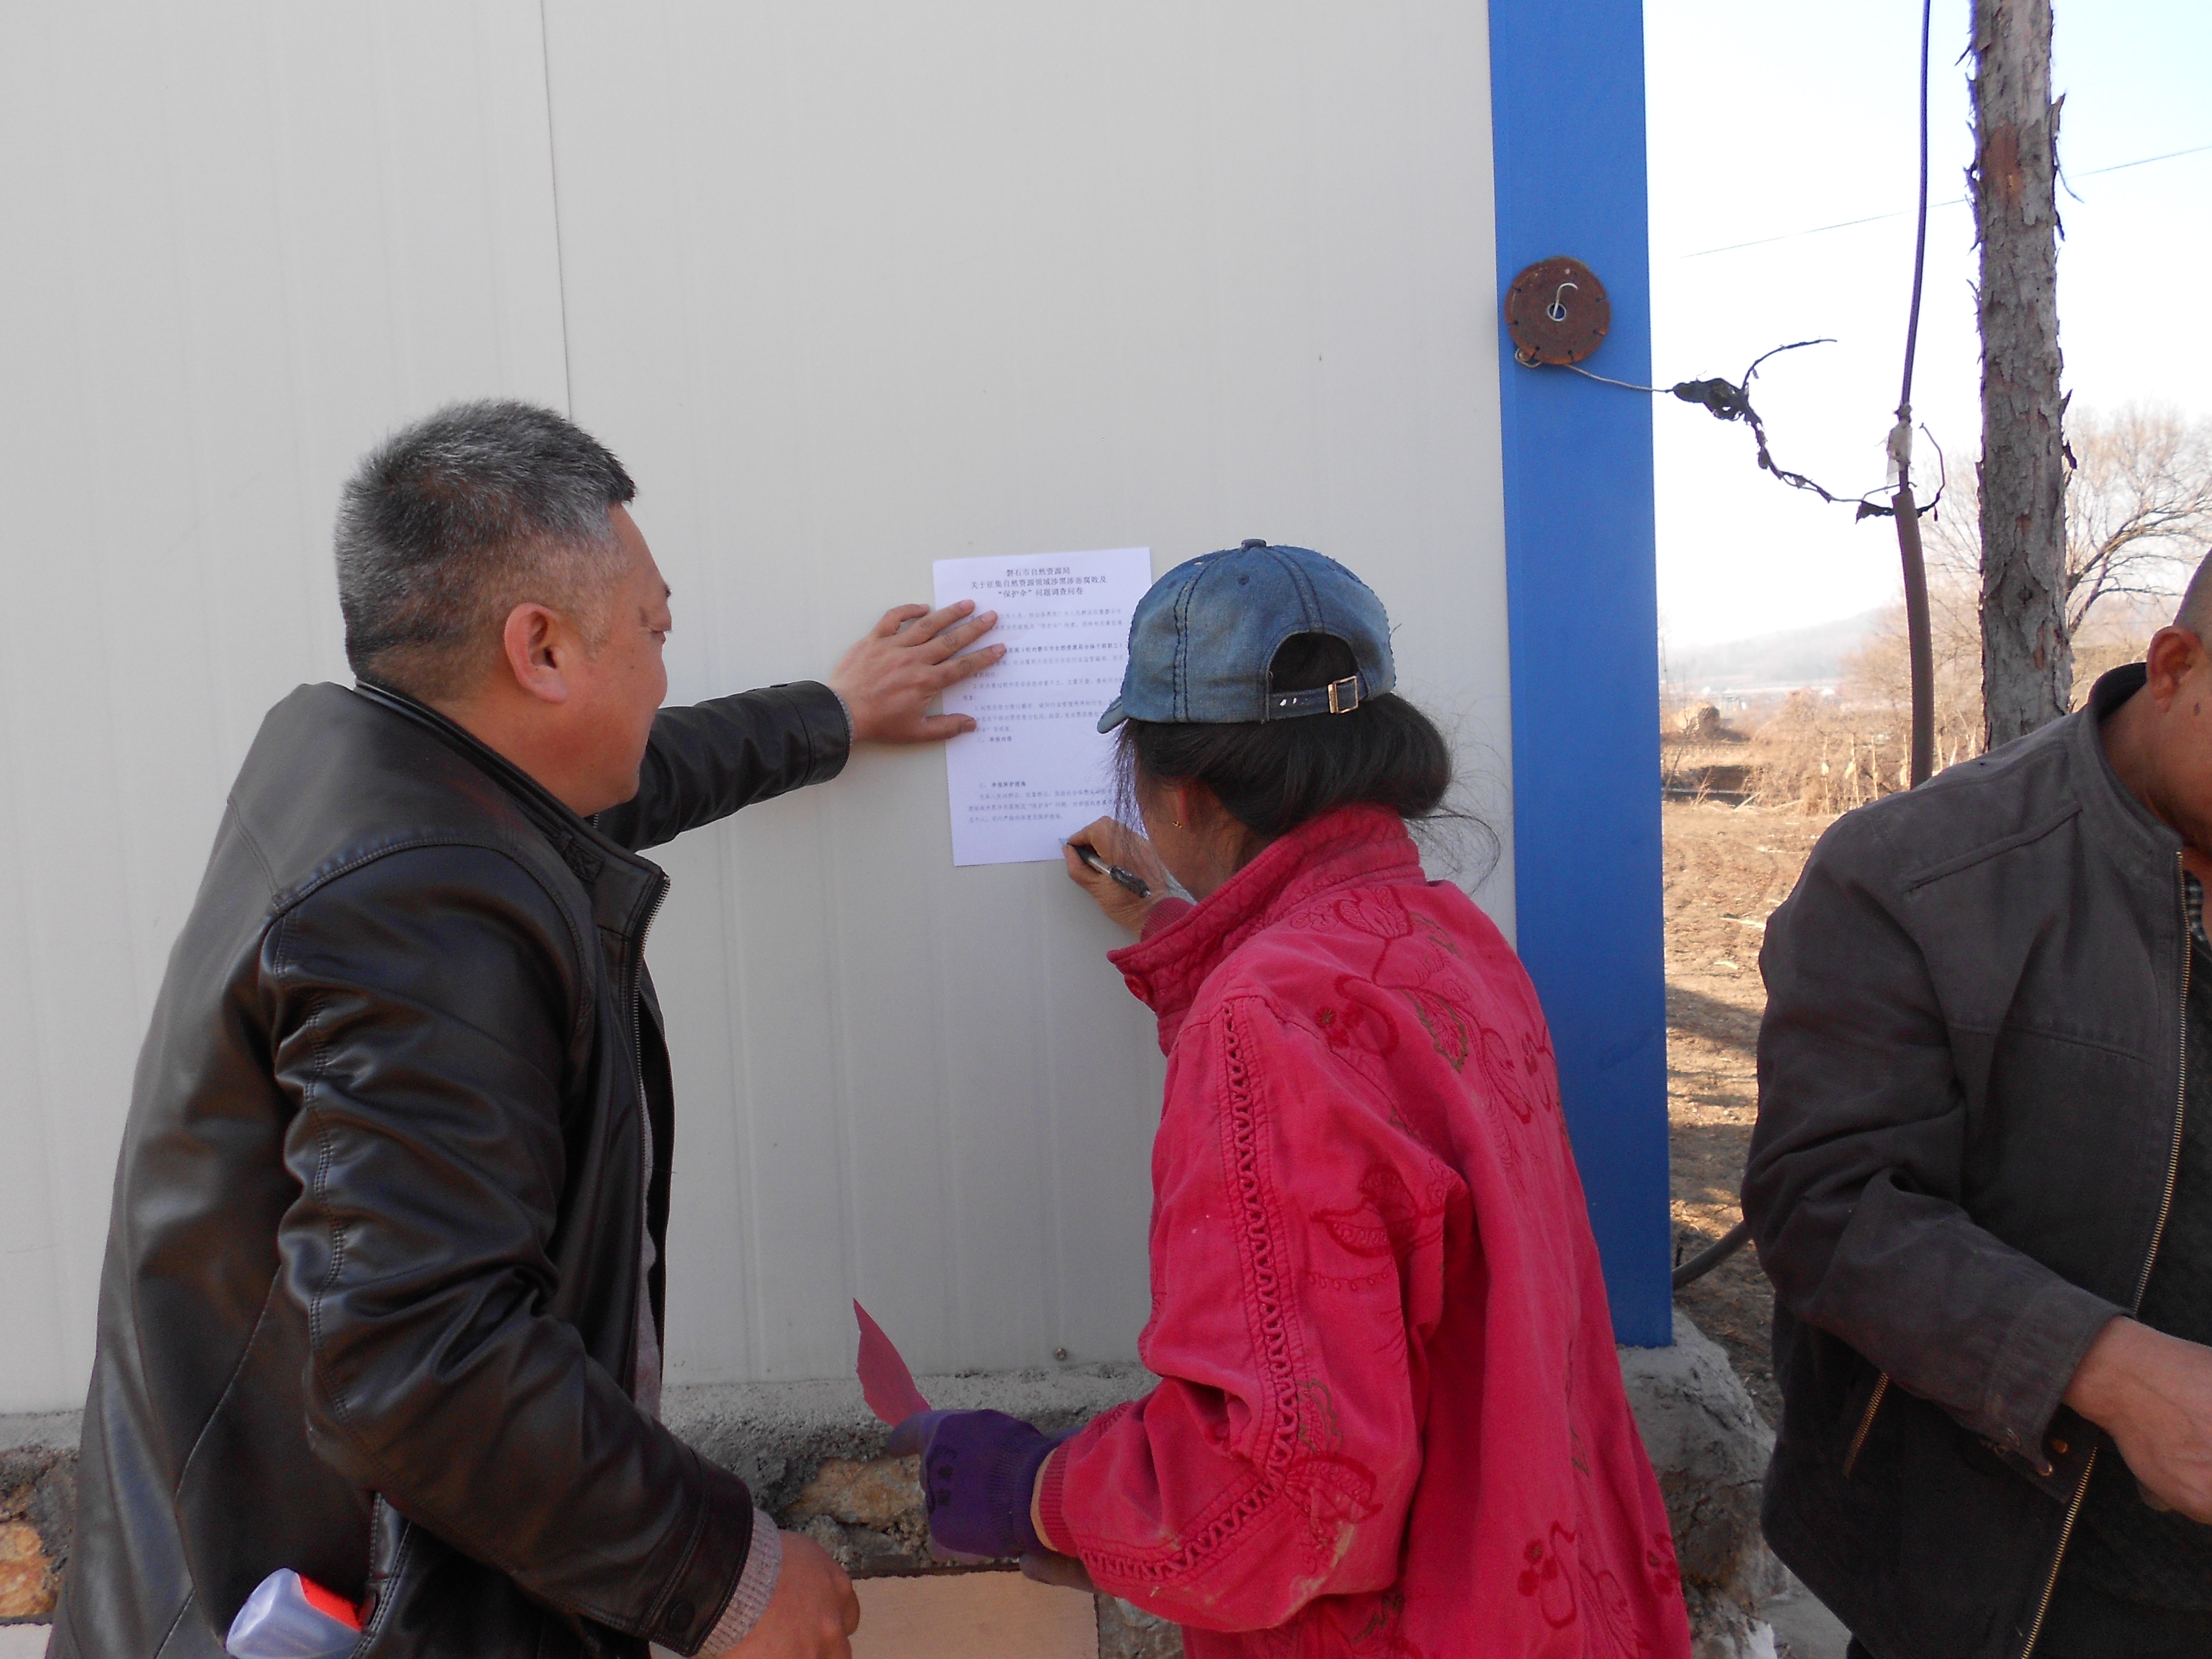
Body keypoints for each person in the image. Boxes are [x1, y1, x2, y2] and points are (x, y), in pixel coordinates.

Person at [54, 400, 1002, 1659]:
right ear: (542, 650)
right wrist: (728, 1573)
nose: (662, 668)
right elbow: (420, 1358)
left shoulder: (361, 765)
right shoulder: (417, 904)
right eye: (655, 631)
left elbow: (619, 781)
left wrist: (831, 714)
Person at [888, 543, 1692, 1657]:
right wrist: (1175, 930)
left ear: (1182, 793)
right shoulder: (1448, 937)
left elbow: (1286, 1499)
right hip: (1548, 1593)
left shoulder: (1265, 1015)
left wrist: (1036, 1489)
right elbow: (1342, 1077)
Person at [1748, 555, 2212, 1659]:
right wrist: (2116, 1375)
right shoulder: (1918, 874)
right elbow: (1828, 1205)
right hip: (2010, 1588)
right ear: (2175, 669)